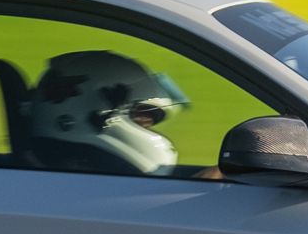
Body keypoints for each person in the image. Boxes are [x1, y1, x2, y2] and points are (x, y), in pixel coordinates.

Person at [23, 49, 186, 175]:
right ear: (104, 116)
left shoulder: (64, 175)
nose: (147, 126)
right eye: (143, 117)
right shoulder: (86, 187)